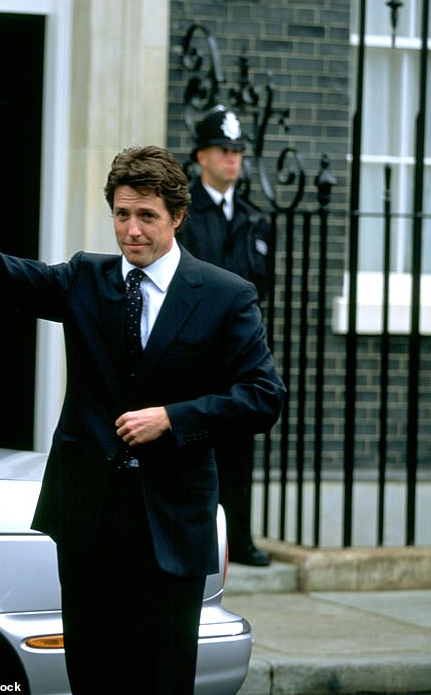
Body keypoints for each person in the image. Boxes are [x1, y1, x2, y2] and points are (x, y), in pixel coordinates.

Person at [0, 107, 284, 695]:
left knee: (161, 683)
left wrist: (173, 418)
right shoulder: (84, 279)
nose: (131, 230)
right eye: (121, 214)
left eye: (147, 216)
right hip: (88, 522)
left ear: (178, 217)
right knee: (92, 678)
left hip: (171, 526)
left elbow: (263, 397)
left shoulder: (225, 295)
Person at [179, 104, 272, 567]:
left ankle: (239, 538)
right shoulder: (186, 214)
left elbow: (262, 287)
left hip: (237, 353)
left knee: (239, 446)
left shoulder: (254, 218)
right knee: (196, 446)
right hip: (195, 350)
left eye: (237, 150)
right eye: (223, 150)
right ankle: (199, 540)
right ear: (201, 156)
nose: (232, 158)